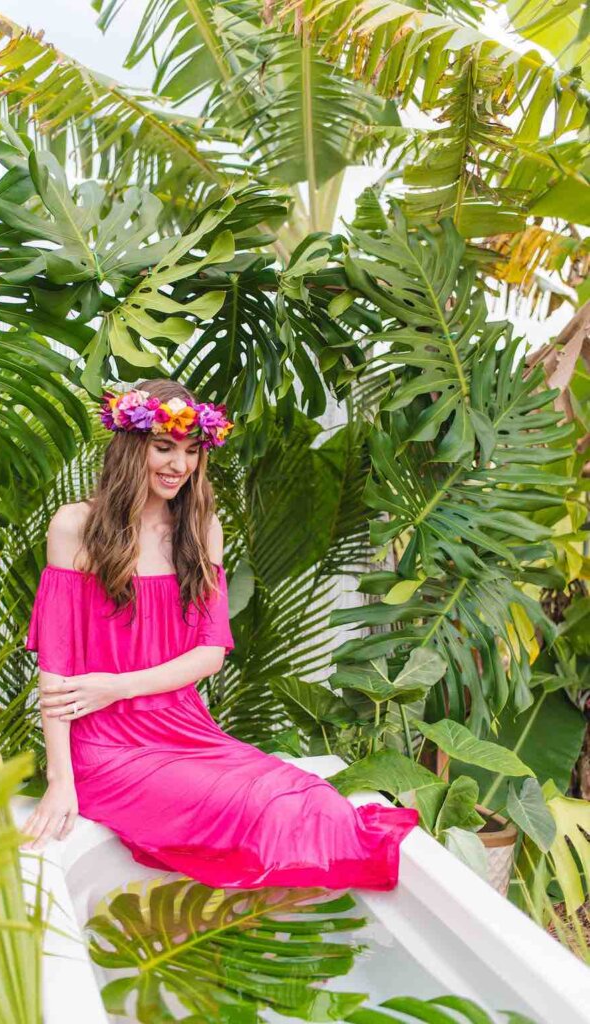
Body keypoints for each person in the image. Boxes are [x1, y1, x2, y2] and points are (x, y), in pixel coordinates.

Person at [21, 378, 418, 889]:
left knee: (315, 800)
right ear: (131, 447)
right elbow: (55, 666)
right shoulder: (76, 526)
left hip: (184, 730)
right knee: (262, 811)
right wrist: (60, 782)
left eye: (190, 451)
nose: (178, 465)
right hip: (107, 747)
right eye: (163, 448)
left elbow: (209, 654)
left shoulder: (201, 528)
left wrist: (116, 685)